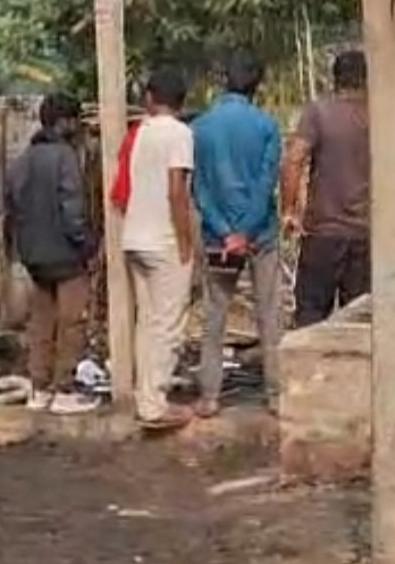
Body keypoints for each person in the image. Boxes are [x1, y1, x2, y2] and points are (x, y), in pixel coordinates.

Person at [192, 52, 282, 417]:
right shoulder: (267, 125)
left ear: (224, 81)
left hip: (218, 238)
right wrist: (246, 230)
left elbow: (199, 188)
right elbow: (266, 183)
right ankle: (276, 394)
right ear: (257, 85)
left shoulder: (200, 127)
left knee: (214, 315)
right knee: (269, 313)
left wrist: (225, 230)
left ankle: (210, 396)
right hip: (261, 235)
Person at [5, 92, 98, 414]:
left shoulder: (22, 160)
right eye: (75, 121)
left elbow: (12, 209)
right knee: (72, 322)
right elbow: (72, 209)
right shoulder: (65, 157)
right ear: (64, 122)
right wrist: (87, 245)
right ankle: (64, 388)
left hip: (33, 255)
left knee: (41, 322)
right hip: (65, 254)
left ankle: (39, 387)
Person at [120, 67, 196, 430]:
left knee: (147, 322)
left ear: (150, 98)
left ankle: (145, 397)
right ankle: (154, 405)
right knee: (169, 324)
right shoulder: (179, 134)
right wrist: (185, 240)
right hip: (163, 239)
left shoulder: (140, 132)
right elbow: (176, 190)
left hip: (134, 236)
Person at [281, 49, 370, 326]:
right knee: (360, 319)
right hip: (365, 235)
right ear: (366, 79)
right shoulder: (378, 116)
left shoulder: (318, 112)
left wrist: (289, 211)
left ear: (335, 79)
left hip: (323, 233)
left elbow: (294, 160)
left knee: (311, 315)